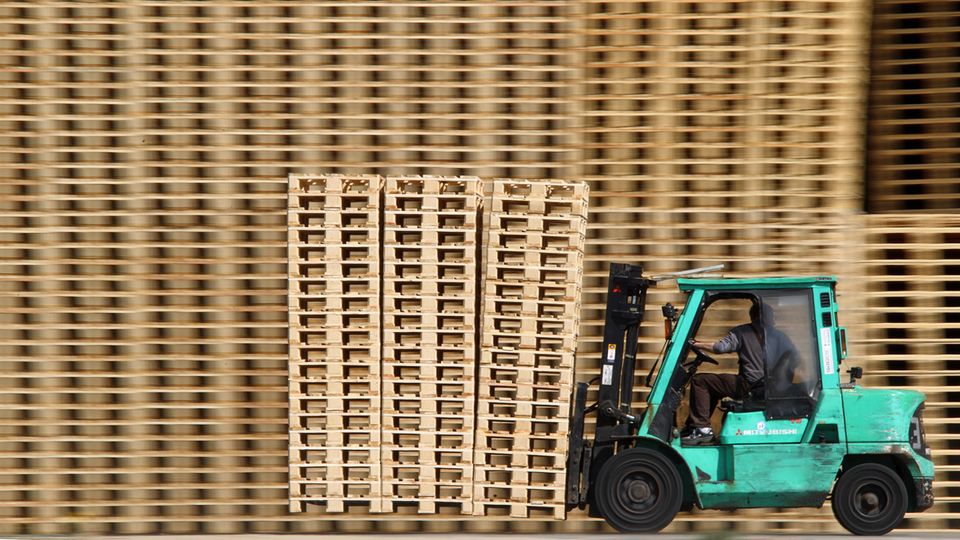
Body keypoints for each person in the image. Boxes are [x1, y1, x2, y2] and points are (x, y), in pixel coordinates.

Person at [680, 302, 769, 445]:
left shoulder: (743, 332)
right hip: (770, 388)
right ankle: (694, 427)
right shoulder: (779, 336)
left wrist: (696, 344)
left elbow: (720, 348)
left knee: (701, 381)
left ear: (752, 316)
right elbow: (793, 359)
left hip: (749, 386)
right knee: (714, 386)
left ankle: (702, 429)